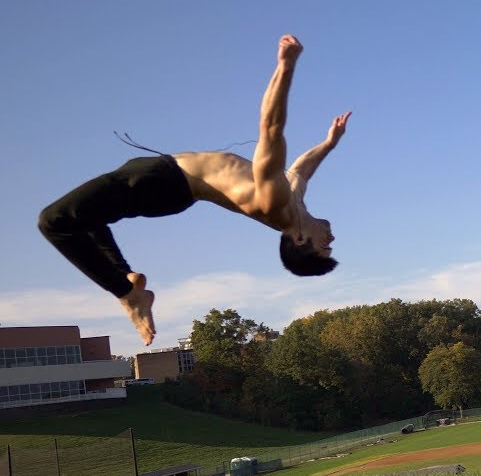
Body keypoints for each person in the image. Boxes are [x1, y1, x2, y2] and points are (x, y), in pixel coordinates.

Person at [37, 34, 349, 346]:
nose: (331, 239)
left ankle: (127, 295)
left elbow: (270, 129)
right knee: (87, 219)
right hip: (164, 181)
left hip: (162, 181)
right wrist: (329, 143)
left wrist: (285, 65)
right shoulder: (293, 202)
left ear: (298, 239)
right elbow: (301, 170)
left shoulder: (274, 202)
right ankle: (128, 279)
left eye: (325, 247)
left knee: (54, 222)